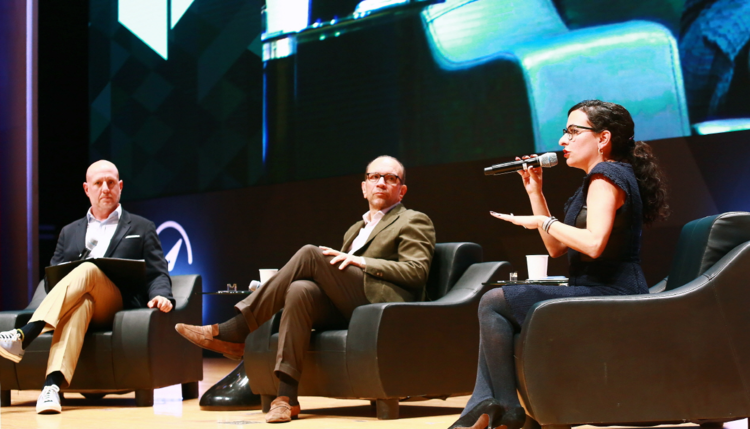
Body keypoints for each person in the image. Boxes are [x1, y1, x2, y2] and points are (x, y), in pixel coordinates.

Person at [449, 100, 670, 429]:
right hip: (595, 289)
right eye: (564, 132)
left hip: (613, 292)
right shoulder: (596, 179)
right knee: (499, 303)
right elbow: (556, 248)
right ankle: (493, 408)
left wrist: (543, 221)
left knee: (494, 302)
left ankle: (504, 409)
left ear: (603, 138)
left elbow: (593, 243)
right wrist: (535, 192)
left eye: (572, 131)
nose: (562, 140)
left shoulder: (607, 176)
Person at [175, 155, 436, 423]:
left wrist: (363, 261)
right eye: (374, 177)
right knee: (300, 290)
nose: (381, 182)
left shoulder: (414, 220)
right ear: (364, 187)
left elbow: (416, 272)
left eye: (390, 178)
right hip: (351, 307)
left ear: (401, 190)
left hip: (383, 308)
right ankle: (286, 398)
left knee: (311, 254)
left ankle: (239, 329)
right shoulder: (355, 230)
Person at [0, 160, 174, 414]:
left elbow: (157, 272)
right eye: (98, 183)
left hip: (118, 307)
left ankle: (25, 334)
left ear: (120, 186)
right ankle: (51, 388)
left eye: (111, 182)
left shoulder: (141, 227)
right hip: (78, 303)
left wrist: (161, 295)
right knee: (82, 303)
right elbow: (51, 280)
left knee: (89, 268)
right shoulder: (69, 231)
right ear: (86, 189)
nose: (105, 188)